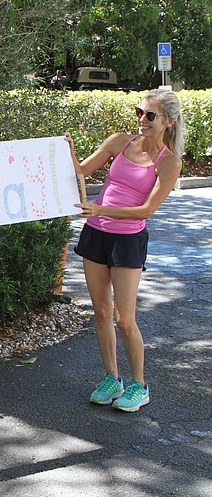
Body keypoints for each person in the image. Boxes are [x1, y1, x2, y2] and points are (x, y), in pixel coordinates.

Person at [67, 88, 184, 412]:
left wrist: (101, 210)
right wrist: (68, 149)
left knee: (124, 319)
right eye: (139, 112)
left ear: (168, 121)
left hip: (127, 241)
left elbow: (146, 210)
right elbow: (81, 171)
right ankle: (111, 378)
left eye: (150, 115)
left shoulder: (169, 162)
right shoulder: (119, 141)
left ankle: (138, 384)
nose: (141, 120)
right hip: (96, 235)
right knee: (102, 313)